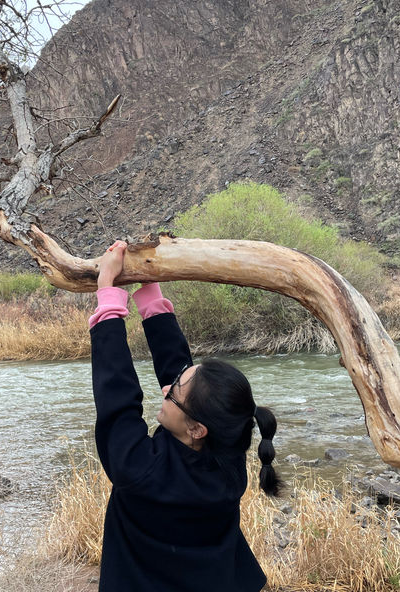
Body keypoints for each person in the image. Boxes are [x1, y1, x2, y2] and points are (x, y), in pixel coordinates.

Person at [90, 240, 282, 592]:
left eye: (174, 393)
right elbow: (183, 375)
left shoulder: (139, 472)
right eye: (176, 382)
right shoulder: (227, 459)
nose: (166, 389)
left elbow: (115, 394)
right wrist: (149, 292)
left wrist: (108, 293)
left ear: (196, 428)